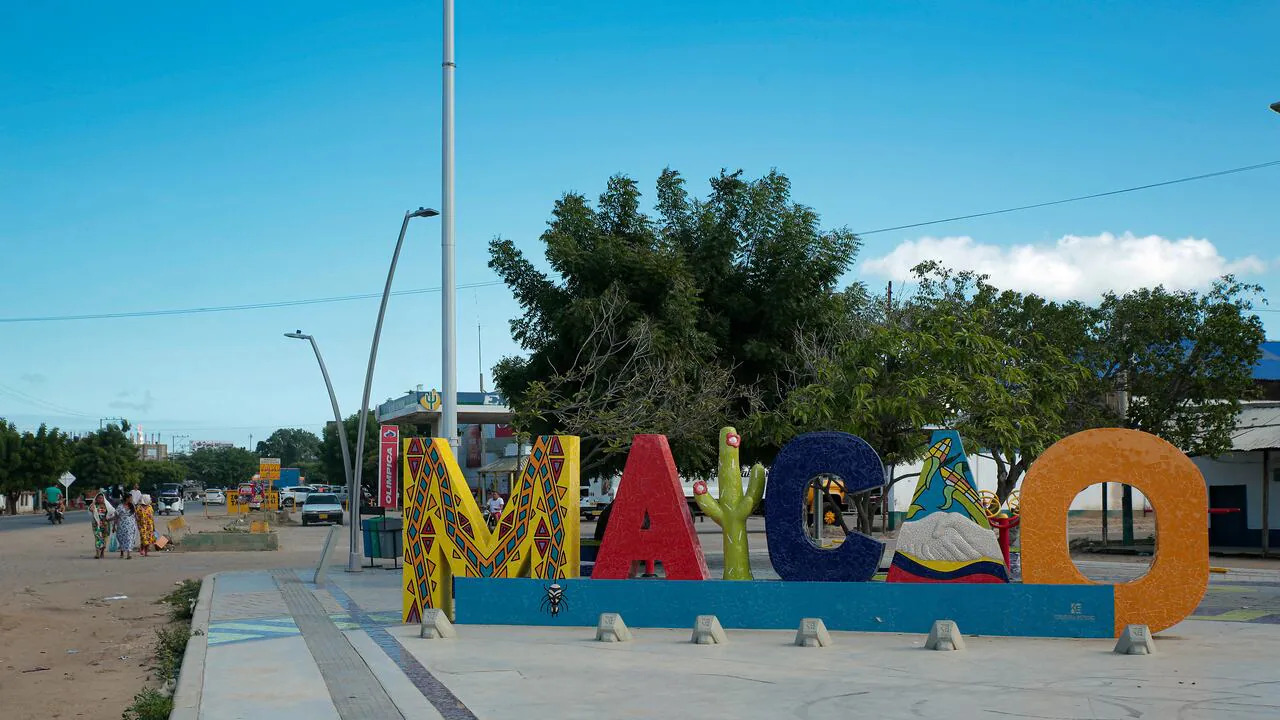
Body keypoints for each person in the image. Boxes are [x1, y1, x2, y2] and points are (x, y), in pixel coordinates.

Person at [89, 492, 115, 560]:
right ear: (96, 499)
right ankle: (97, 553)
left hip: (105, 524)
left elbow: (113, 513)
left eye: (101, 498)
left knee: (104, 538)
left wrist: (109, 519)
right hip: (96, 524)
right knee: (97, 538)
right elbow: (91, 509)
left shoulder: (107, 505)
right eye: (98, 498)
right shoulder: (94, 505)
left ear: (104, 499)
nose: (100, 499)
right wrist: (93, 502)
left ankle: (102, 551)